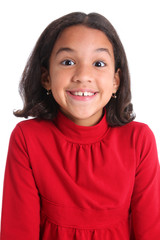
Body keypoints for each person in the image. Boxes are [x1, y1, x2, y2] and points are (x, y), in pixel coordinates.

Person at [0, 12, 160, 240]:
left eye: (99, 63)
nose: (83, 76)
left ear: (116, 81)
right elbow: (17, 232)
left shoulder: (139, 140)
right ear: (46, 77)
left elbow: (150, 233)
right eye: (68, 62)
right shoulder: (27, 139)